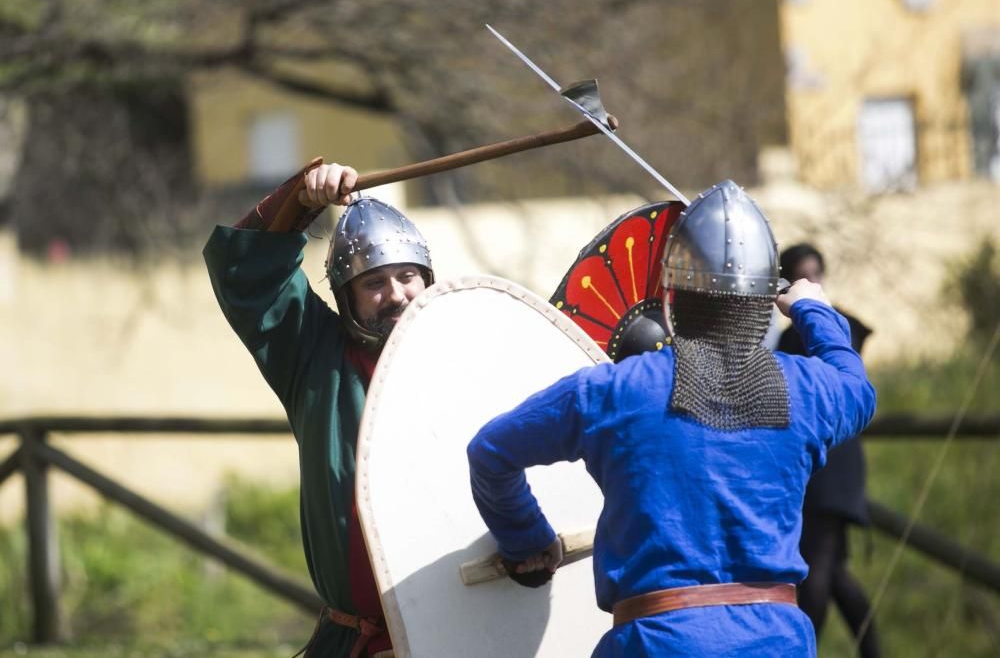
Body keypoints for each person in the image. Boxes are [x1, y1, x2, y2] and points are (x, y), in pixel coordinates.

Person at [467, 180, 876, 656]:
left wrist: (526, 539)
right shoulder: (809, 390)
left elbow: (490, 452)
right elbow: (858, 389)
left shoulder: (613, 390)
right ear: (764, 303)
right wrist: (812, 308)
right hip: (776, 642)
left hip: (657, 643)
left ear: (670, 296)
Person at [204, 158, 432, 657]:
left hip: (462, 632)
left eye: (408, 276)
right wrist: (300, 201)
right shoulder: (316, 358)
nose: (396, 294)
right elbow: (244, 274)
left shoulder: (465, 363)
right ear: (348, 297)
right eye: (374, 283)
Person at [778, 243, 879, 657]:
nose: (813, 281)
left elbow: (852, 368)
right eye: (804, 274)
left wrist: (812, 310)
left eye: (816, 272)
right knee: (832, 572)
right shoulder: (789, 337)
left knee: (818, 576)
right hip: (817, 464)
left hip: (833, 469)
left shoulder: (835, 326)